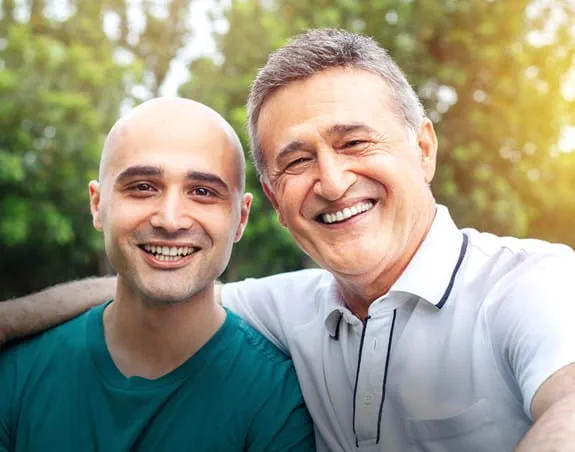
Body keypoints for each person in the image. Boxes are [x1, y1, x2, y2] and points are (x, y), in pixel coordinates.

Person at [1, 28, 575, 451]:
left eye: (354, 143)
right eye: (297, 160)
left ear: (424, 149)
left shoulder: (531, 284)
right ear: (273, 203)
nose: (331, 180)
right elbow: (153, 284)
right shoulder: (287, 309)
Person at [0, 98, 315, 451]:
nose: (170, 219)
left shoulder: (277, 399)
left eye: (202, 192)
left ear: (240, 218)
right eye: (142, 187)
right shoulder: (15, 373)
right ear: (97, 205)